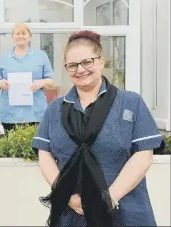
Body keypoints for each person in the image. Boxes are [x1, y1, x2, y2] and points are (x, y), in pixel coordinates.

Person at [32, 30, 165, 227]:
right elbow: (45, 155)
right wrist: (67, 196)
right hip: (72, 213)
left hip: (125, 210)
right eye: (73, 65)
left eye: (87, 62)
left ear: (101, 61)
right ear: (66, 68)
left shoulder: (130, 102)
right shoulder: (55, 109)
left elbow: (144, 155)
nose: (81, 69)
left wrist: (107, 199)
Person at [0, 23, 55, 133]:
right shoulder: (3, 58)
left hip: (35, 112)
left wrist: (41, 83)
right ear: (13, 37)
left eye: (24, 33)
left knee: (35, 147)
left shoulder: (41, 56)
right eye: (17, 33)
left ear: (29, 36)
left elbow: (51, 81)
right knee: (12, 147)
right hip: (10, 113)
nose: (20, 36)